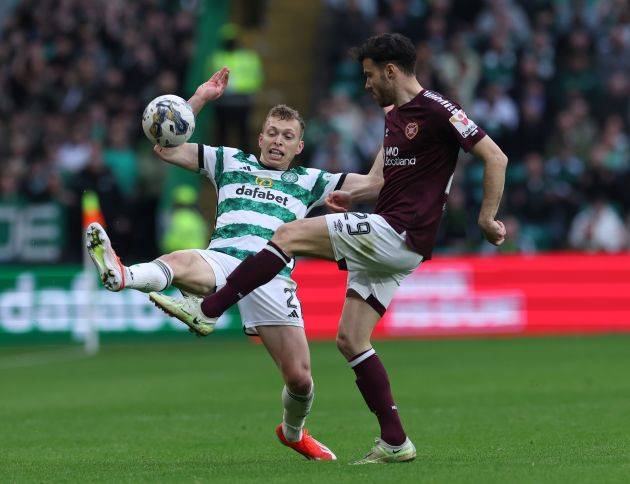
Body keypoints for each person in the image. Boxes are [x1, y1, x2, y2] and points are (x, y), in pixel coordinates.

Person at [177, 33, 508, 464]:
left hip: (396, 232)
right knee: (352, 340)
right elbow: (381, 180)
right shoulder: (395, 116)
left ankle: (210, 309)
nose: (366, 84)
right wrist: (353, 197)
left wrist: (486, 217)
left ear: (391, 71)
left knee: (287, 234)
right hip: (395, 241)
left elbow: (495, 157)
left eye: (370, 76)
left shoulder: (437, 110)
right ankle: (395, 441)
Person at [86, 67, 370, 461]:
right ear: (260, 137)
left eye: (287, 136)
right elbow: (166, 147)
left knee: (300, 380)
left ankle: (293, 432)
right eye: (272, 132)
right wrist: (199, 98)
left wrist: (404, 149)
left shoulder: (312, 181)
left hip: (272, 276)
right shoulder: (229, 161)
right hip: (223, 259)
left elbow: (371, 184)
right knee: (181, 259)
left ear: (299, 146)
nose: (277, 141)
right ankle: (122, 275)